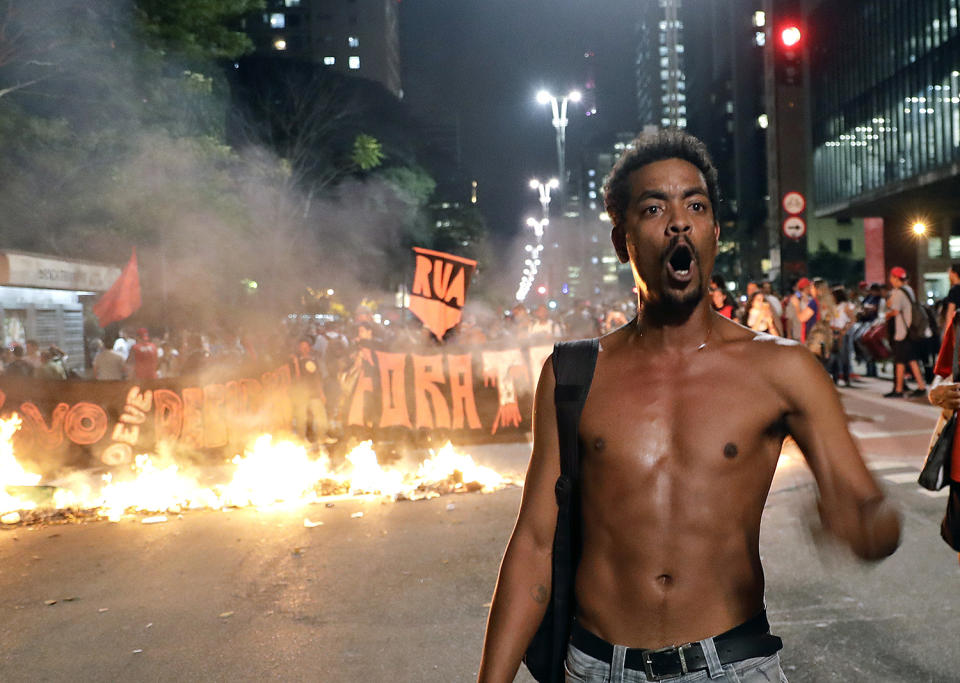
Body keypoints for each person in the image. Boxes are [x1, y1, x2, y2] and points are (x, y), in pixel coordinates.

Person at [478, 130, 900, 683]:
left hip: (732, 663)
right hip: (598, 667)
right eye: (654, 208)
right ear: (622, 239)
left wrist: (863, 527)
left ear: (713, 234)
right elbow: (534, 542)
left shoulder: (784, 370)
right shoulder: (574, 373)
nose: (678, 221)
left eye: (695, 205)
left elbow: (872, 515)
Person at [884, 266, 928, 398]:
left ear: (895, 278)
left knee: (900, 361)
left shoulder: (898, 293)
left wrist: (887, 315)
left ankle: (898, 390)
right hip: (910, 331)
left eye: (891, 277)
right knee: (910, 360)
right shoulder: (908, 290)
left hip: (902, 333)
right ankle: (921, 386)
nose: (890, 280)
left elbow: (894, 310)